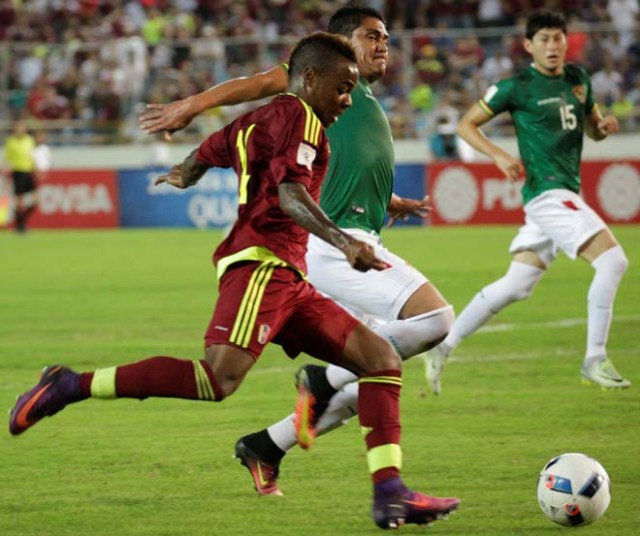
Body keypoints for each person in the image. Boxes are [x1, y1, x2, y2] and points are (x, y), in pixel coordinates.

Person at [8, 32, 460, 530]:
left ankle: (390, 492)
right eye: (342, 88)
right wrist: (344, 241)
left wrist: (184, 173)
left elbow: (209, 150)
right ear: (309, 79)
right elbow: (290, 195)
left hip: (289, 276)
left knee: (380, 359)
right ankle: (69, 384)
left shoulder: (261, 118)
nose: (347, 100)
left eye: (352, 89)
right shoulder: (304, 119)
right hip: (262, 268)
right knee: (215, 380)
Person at [140, 4, 455, 496]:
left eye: (387, 38)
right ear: (339, 46)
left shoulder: (354, 97)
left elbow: (351, 163)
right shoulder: (314, 88)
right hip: (331, 243)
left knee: (371, 377)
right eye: (372, 36)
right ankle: (323, 380)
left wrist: (387, 200)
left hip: (352, 235)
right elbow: (253, 84)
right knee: (434, 321)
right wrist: (191, 106)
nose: (383, 46)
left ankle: (267, 445)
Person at [426, 9, 630, 395]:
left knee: (517, 284)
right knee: (613, 260)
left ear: (567, 41)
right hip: (546, 193)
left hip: (566, 192)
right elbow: (466, 124)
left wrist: (603, 128)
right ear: (528, 45)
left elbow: (593, 130)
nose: (552, 46)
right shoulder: (515, 87)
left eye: (558, 38)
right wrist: (498, 155)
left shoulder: (578, 80)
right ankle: (594, 358)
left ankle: (443, 346)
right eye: (544, 39)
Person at [2, 120, 37, 232]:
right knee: (19, 200)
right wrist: (5, 170)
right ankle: (20, 225)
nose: (21, 129)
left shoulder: (29, 140)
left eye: (23, 127)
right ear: (15, 129)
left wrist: (37, 169)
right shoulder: (10, 142)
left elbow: (32, 156)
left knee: (36, 200)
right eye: (19, 127)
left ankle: (21, 220)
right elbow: (7, 158)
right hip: (18, 172)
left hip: (29, 171)